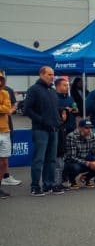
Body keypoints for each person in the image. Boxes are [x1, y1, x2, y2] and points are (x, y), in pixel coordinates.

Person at [23, 66, 62, 196]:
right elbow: (27, 110)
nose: (52, 77)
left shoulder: (52, 91)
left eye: (53, 75)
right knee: (38, 159)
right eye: (49, 74)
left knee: (51, 159)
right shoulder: (34, 90)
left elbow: (54, 110)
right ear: (41, 74)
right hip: (40, 130)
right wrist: (42, 120)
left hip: (53, 129)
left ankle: (48, 184)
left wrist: (58, 121)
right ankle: (35, 186)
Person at [63, 119, 95, 188]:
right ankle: (72, 180)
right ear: (80, 128)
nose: (89, 130)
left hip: (86, 158)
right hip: (72, 161)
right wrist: (88, 163)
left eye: (90, 127)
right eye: (86, 128)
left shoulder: (92, 135)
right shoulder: (71, 136)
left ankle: (86, 178)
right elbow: (72, 157)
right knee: (75, 167)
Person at [1, 74, 22, 187]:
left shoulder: (8, 90)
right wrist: (4, 108)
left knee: (5, 155)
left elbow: (13, 106)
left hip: (6, 126)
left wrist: (10, 110)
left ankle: (6, 176)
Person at [0, 72, 15, 198]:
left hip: (5, 131)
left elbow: (7, 110)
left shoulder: (5, 93)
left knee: (4, 162)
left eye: (1, 79)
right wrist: (3, 107)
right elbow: (4, 108)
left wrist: (3, 108)